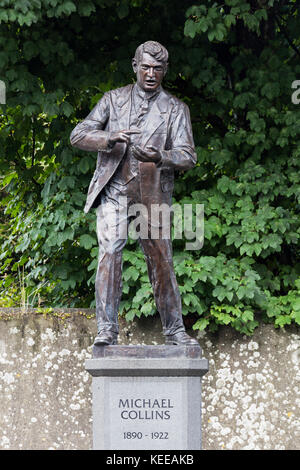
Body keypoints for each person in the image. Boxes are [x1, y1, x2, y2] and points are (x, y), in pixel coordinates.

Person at [70, 41, 198, 346]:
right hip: (115, 191)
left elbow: (188, 156)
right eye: (146, 67)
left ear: (165, 70)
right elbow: (78, 135)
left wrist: (161, 157)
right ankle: (106, 330)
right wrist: (109, 137)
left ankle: (174, 330)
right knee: (110, 252)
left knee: (161, 260)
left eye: (157, 68)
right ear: (135, 66)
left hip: (153, 196)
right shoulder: (112, 101)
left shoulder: (176, 109)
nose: (151, 73)